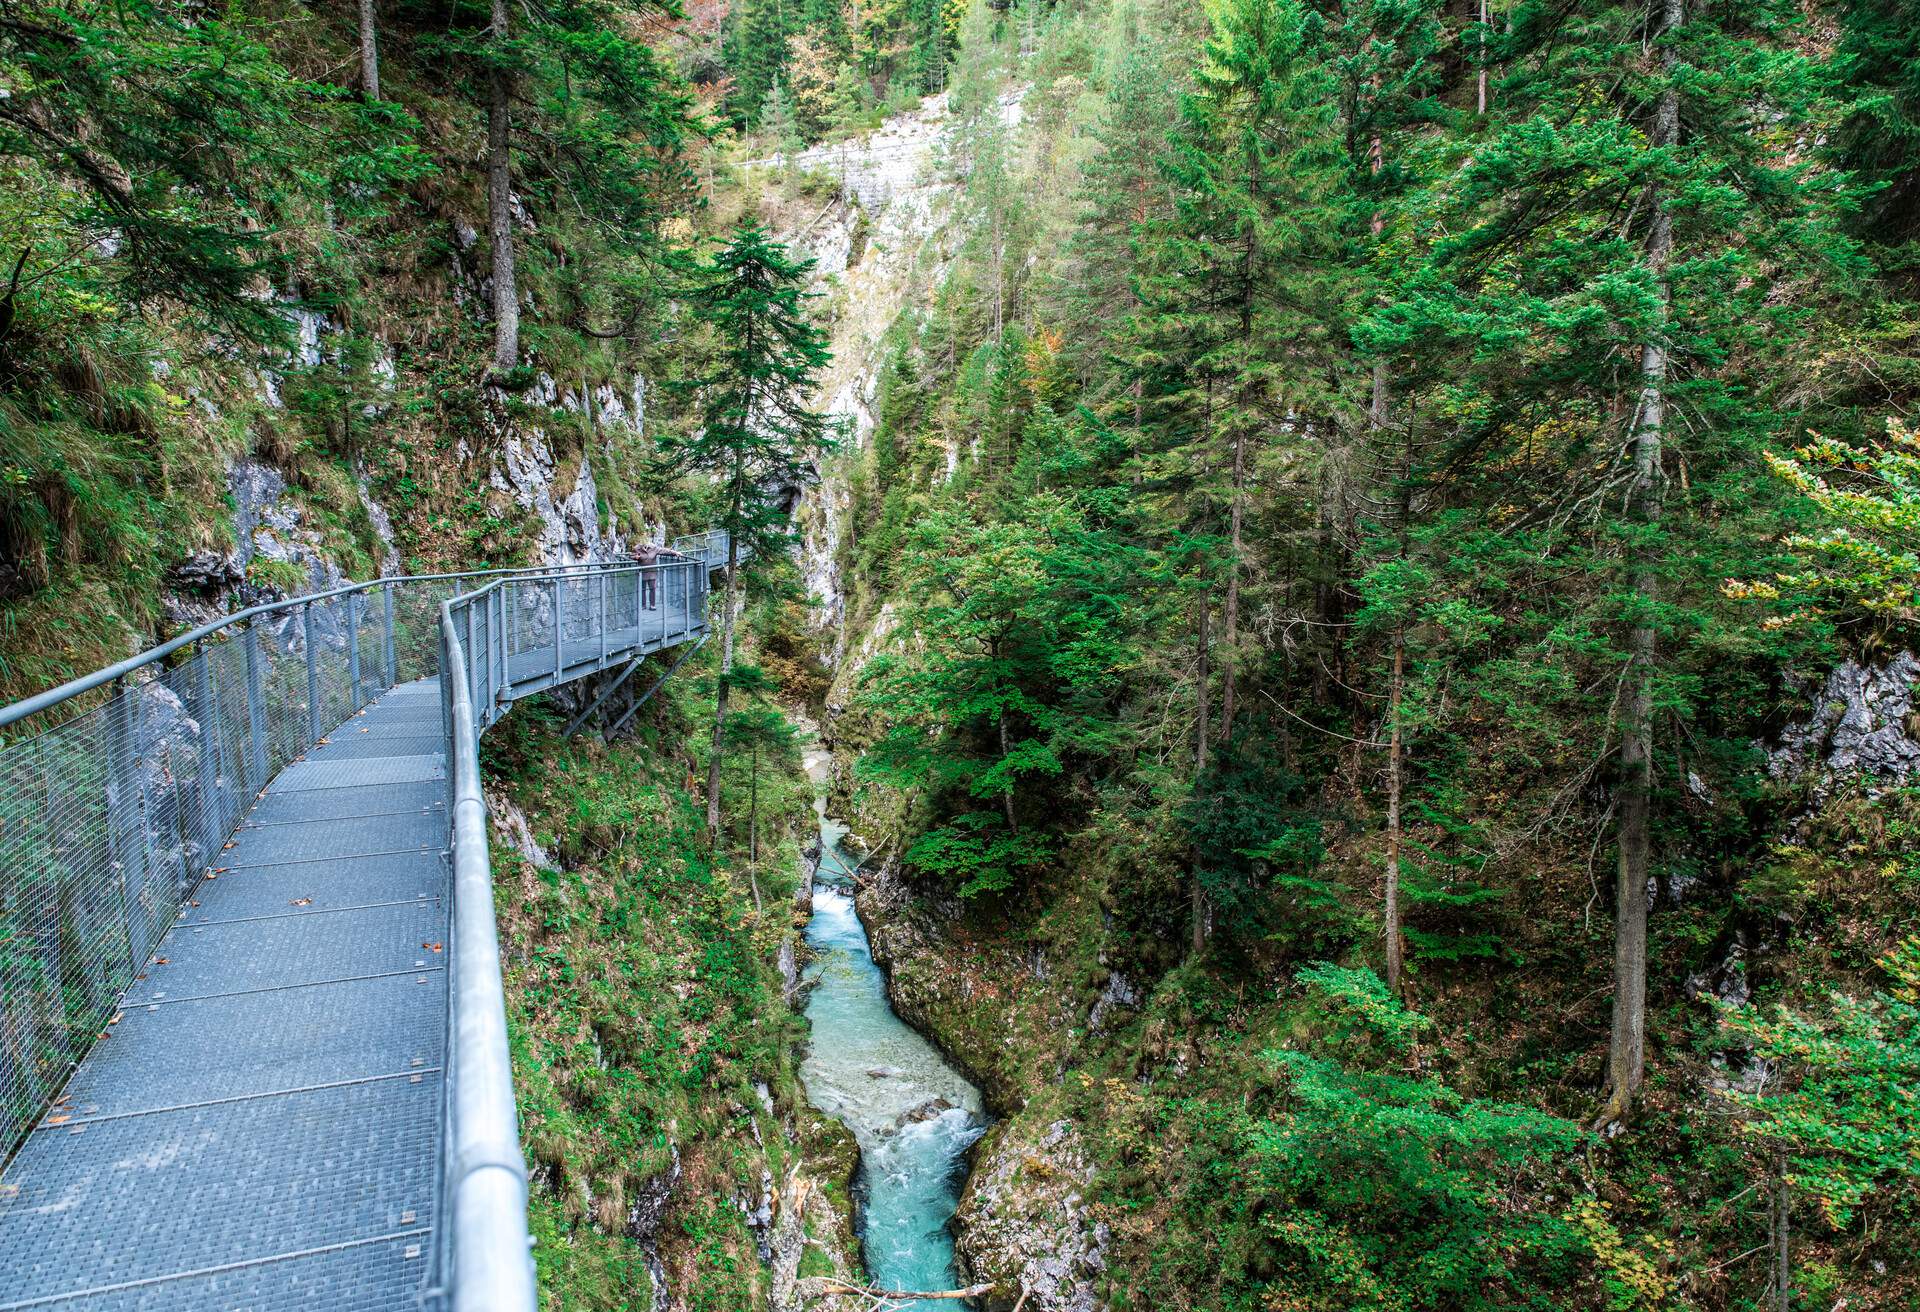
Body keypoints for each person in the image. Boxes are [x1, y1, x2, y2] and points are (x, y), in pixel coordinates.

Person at [631, 539, 661, 610]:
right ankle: (643, 605)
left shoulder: (654, 548)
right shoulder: (637, 548)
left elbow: (665, 551)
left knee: (652, 588)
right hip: (642, 572)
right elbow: (631, 555)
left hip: (652, 572)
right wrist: (635, 557)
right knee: (642, 589)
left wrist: (675, 552)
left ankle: (652, 605)